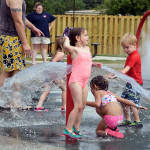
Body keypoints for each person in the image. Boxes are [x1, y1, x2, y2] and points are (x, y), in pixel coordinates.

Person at [62, 27, 102, 139]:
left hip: (84, 81)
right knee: (78, 105)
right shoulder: (74, 50)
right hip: (76, 81)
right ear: (77, 38)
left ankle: (76, 128)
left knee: (82, 106)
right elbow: (65, 46)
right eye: (85, 35)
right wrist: (65, 37)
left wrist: (94, 63)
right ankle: (68, 129)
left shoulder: (87, 49)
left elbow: (85, 61)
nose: (88, 37)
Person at [0, 0, 44, 88]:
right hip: (11, 38)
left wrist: (32, 27)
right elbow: (18, 20)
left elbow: (21, 16)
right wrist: (25, 43)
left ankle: (14, 100)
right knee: (9, 72)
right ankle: (12, 100)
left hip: (9, 37)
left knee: (15, 71)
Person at [110, 33, 143, 127]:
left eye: (127, 47)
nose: (125, 50)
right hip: (130, 83)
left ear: (134, 45)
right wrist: (114, 73)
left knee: (132, 103)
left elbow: (126, 69)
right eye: (124, 48)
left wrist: (117, 75)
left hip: (136, 84)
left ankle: (137, 121)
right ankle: (128, 119)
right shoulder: (130, 55)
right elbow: (124, 69)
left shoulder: (134, 56)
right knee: (123, 100)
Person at [34, 37, 66, 111]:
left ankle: (38, 106)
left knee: (46, 90)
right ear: (63, 45)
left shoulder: (57, 52)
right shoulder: (61, 54)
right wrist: (57, 75)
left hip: (49, 75)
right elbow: (53, 63)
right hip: (53, 76)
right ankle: (64, 106)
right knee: (65, 89)